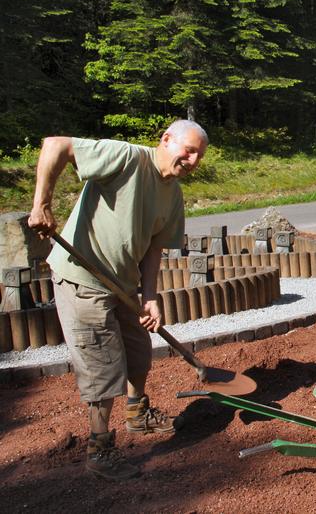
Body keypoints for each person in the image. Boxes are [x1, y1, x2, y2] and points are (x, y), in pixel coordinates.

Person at [28, 120, 209, 480]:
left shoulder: (172, 193)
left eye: (199, 156)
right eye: (188, 150)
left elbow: (155, 248)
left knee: (139, 353)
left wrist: (150, 297)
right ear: (166, 139)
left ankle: (137, 413)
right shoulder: (125, 158)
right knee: (103, 366)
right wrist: (42, 204)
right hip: (82, 278)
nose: (191, 160)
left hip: (123, 285)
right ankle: (99, 449)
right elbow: (55, 143)